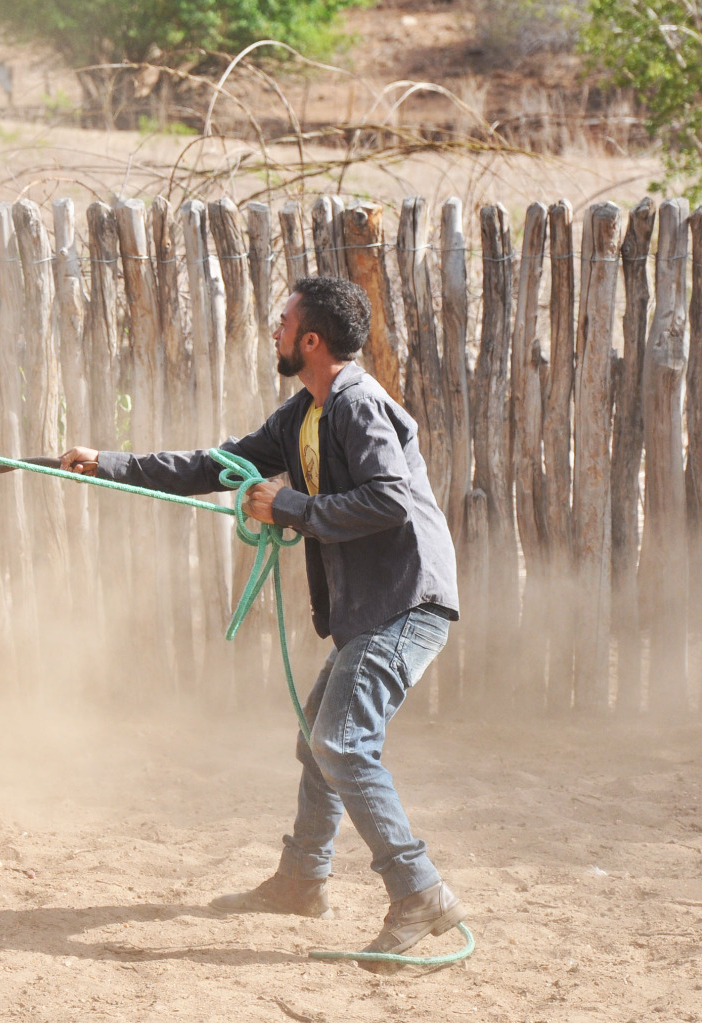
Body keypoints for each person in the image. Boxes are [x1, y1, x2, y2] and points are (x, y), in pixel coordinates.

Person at [59, 276, 462, 973]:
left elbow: (389, 501)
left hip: (404, 603)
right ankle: (304, 880)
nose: (274, 332)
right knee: (320, 739)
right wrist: (109, 462)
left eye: (283, 323)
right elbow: (220, 465)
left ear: (310, 339)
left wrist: (291, 509)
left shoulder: (358, 405)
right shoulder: (306, 412)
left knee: (341, 741)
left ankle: (418, 891)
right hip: (377, 607)